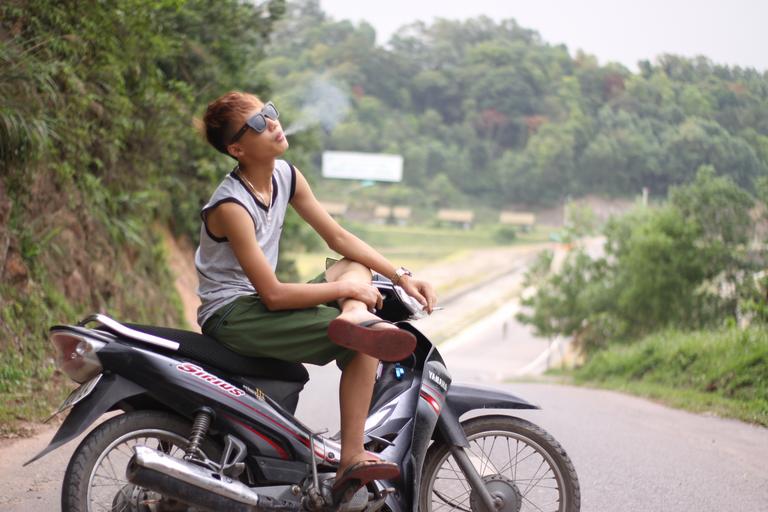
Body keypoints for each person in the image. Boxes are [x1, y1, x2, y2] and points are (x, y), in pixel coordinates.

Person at [194, 91, 438, 496]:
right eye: (258, 123)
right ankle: (352, 456)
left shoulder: (286, 176)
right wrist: (346, 289)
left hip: (257, 304)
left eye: (269, 113)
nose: (273, 123)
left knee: (353, 264)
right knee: (364, 345)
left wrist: (401, 277)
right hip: (232, 314)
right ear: (237, 149)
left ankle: (353, 317)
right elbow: (273, 295)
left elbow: (338, 237)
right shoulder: (231, 206)